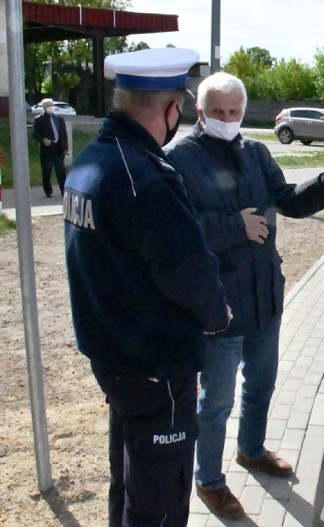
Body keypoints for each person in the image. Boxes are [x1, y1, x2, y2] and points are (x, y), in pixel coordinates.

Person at [165, 72, 324, 520]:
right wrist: (234, 226)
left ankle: (251, 450)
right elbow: (174, 234)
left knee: (262, 385)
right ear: (199, 111)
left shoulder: (255, 151)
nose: (227, 119)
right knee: (216, 401)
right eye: (218, 112)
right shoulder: (178, 158)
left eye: (235, 112)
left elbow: (288, 201)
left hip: (265, 298)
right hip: (220, 306)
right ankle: (208, 481)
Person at [64, 48, 232, 526]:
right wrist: (218, 314)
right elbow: (190, 271)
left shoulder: (90, 161)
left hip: (113, 356)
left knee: (131, 478)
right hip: (157, 366)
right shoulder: (148, 179)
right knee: (160, 496)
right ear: (171, 111)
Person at [32, 98, 68, 197]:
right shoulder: (39, 119)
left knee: (61, 171)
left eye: (52, 105)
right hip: (47, 149)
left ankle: (64, 191)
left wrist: (65, 148)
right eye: (49, 106)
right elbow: (35, 133)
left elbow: (64, 135)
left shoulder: (59, 119)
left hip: (58, 148)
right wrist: (43, 139)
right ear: (44, 107)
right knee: (47, 171)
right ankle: (48, 191)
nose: (51, 107)